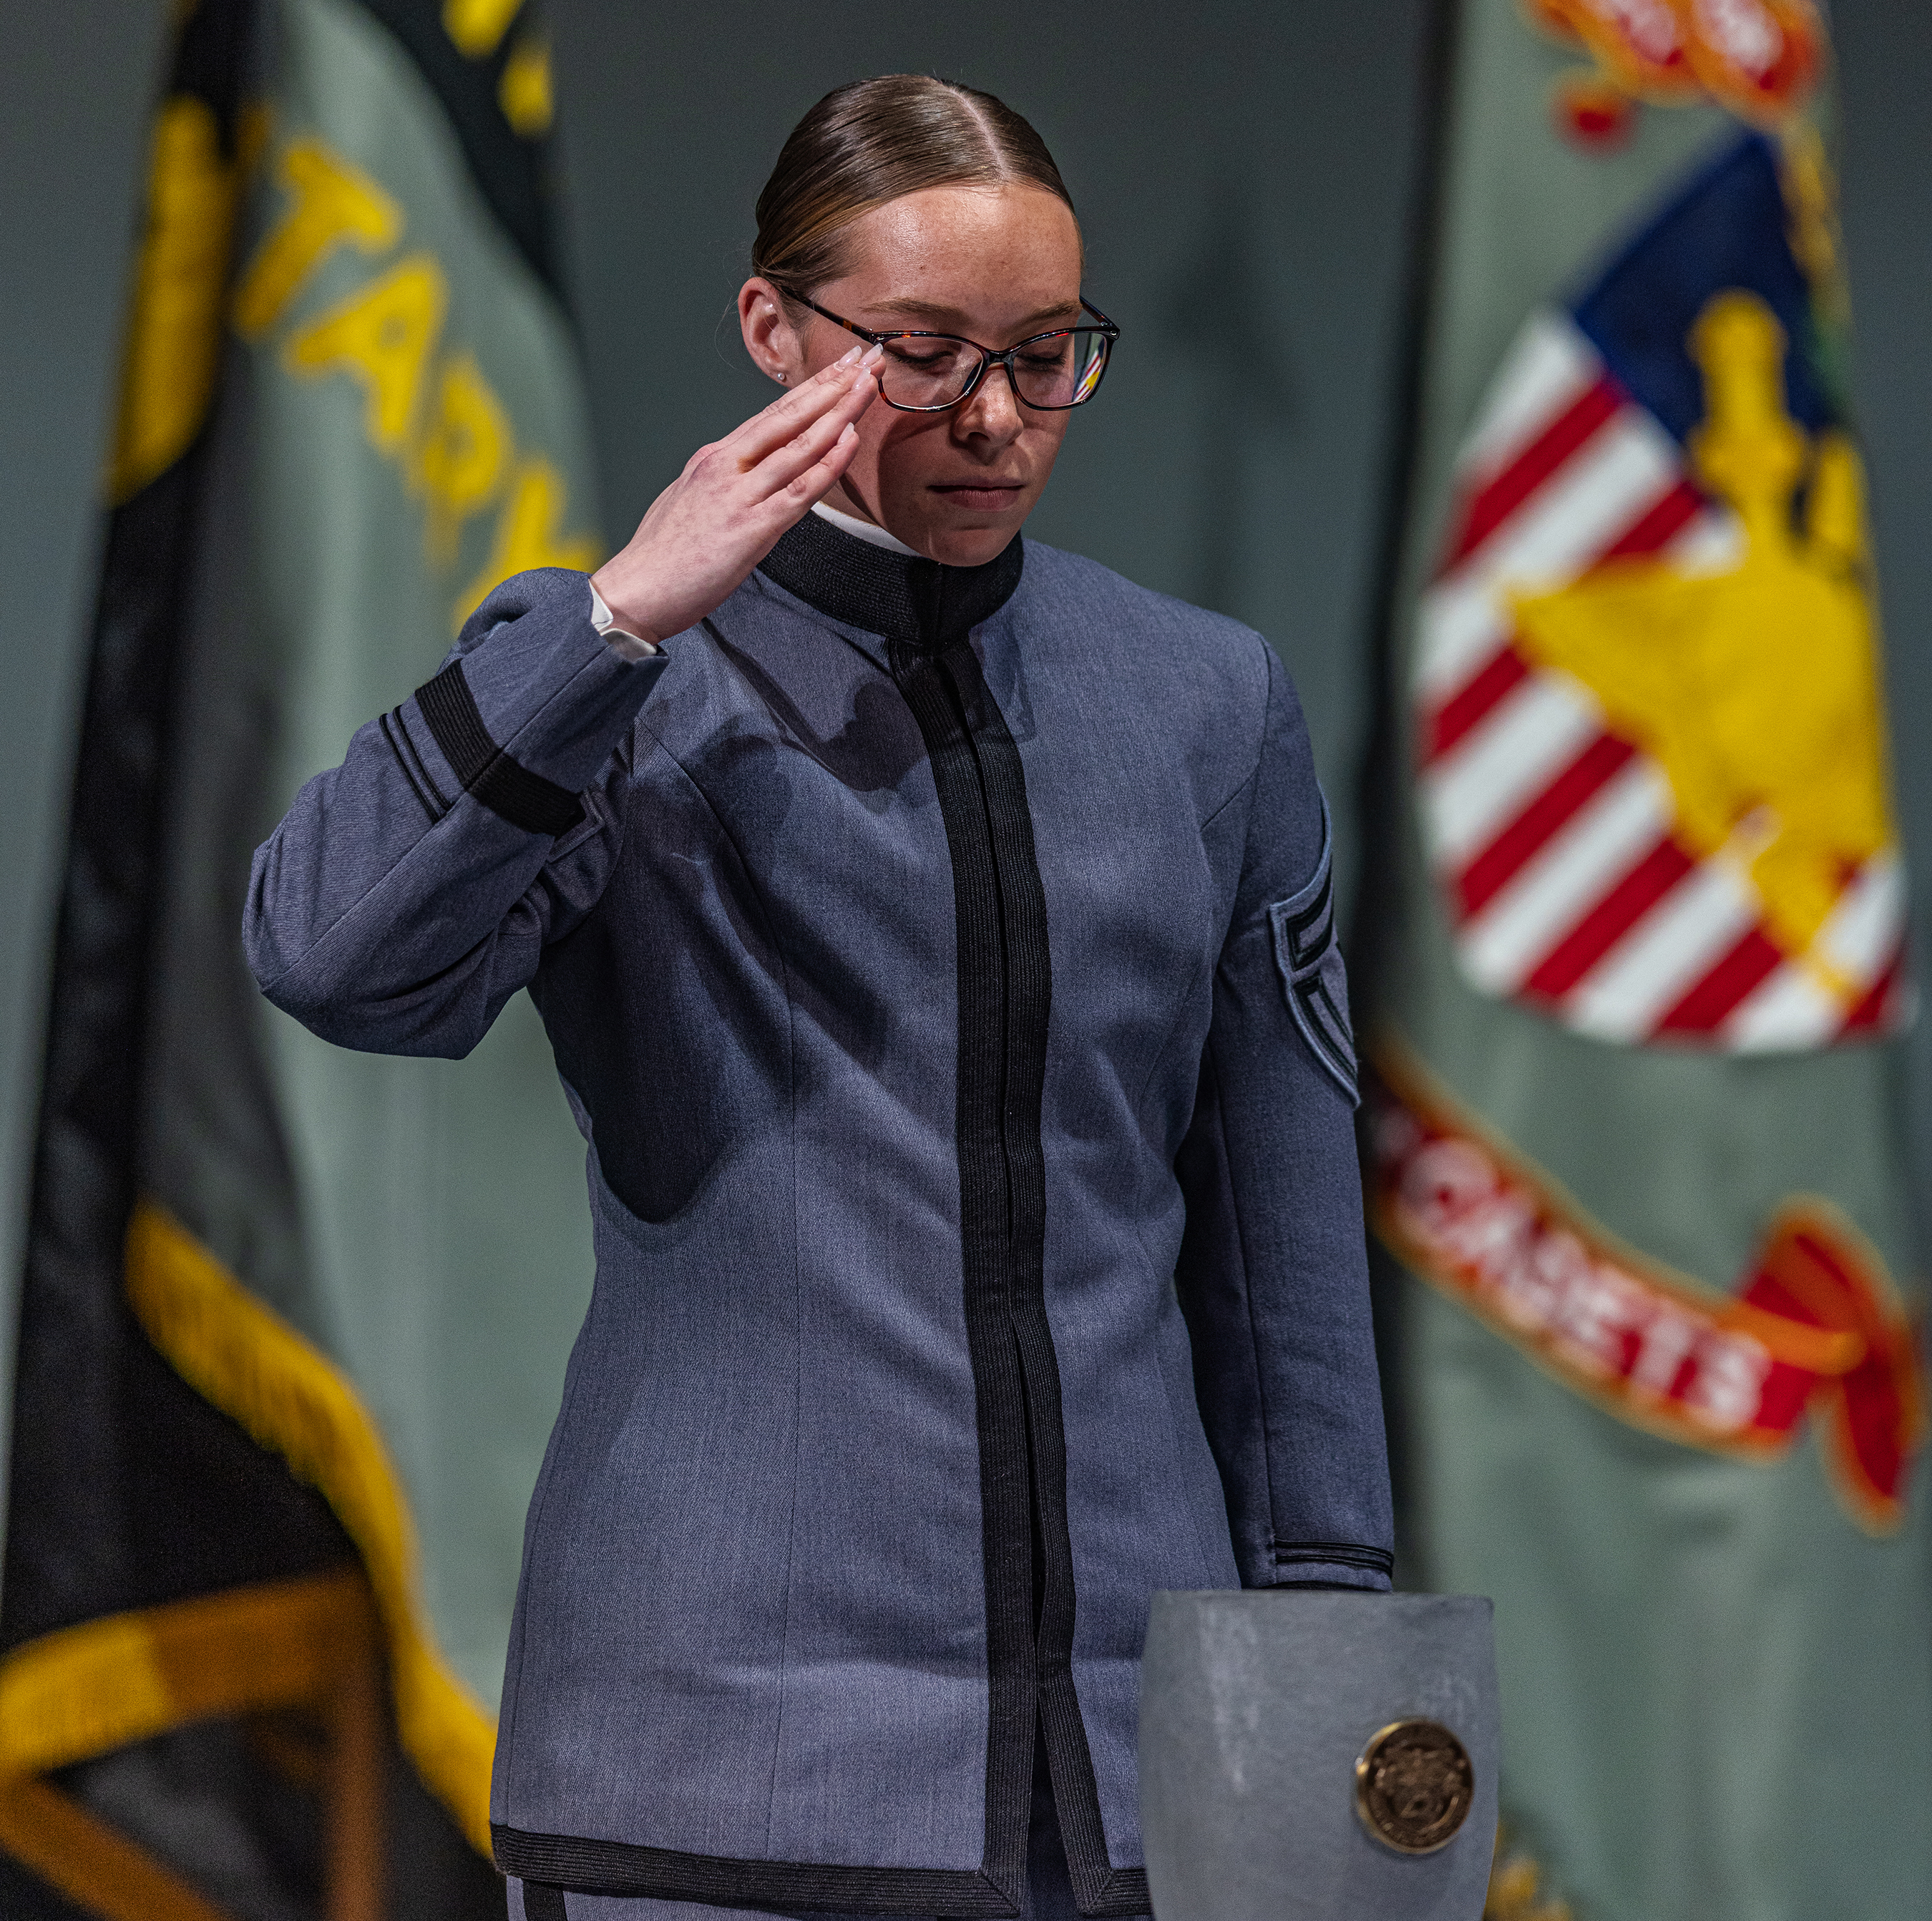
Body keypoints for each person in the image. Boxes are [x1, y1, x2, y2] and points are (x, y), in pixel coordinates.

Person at [245, 74, 1392, 1921]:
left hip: (1131, 1790)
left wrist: (1331, 1676)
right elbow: (335, 960)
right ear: (775, 332)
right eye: (926, 354)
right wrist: (613, 625)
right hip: (713, 1783)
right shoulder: (615, 680)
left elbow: (1282, 1249)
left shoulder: (1201, 703)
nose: (998, 418)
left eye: (1047, 354)